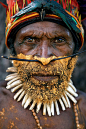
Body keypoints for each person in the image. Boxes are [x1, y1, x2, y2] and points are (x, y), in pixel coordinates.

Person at [0, 0, 86, 129]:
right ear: (13, 50)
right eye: (30, 40)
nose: (44, 58)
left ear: (75, 52)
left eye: (59, 40)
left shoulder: (82, 107)